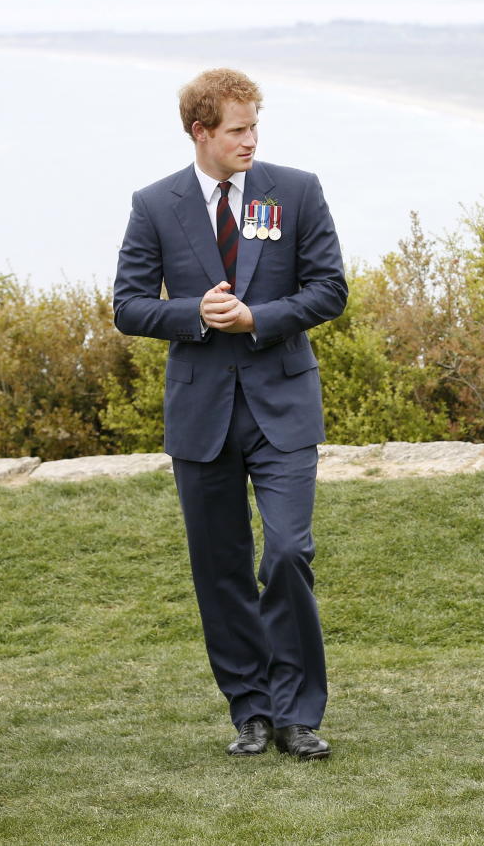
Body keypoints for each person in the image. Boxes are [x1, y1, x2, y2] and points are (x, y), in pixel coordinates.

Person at [113, 69, 348, 760]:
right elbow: (128, 304)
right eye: (238, 129)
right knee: (219, 566)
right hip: (201, 413)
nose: (251, 140)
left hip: (283, 406)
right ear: (201, 133)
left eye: (255, 127)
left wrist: (257, 317)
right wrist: (194, 314)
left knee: (286, 551)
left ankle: (299, 711)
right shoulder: (154, 204)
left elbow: (330, 288)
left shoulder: (296, 189)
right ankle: (250, 709)